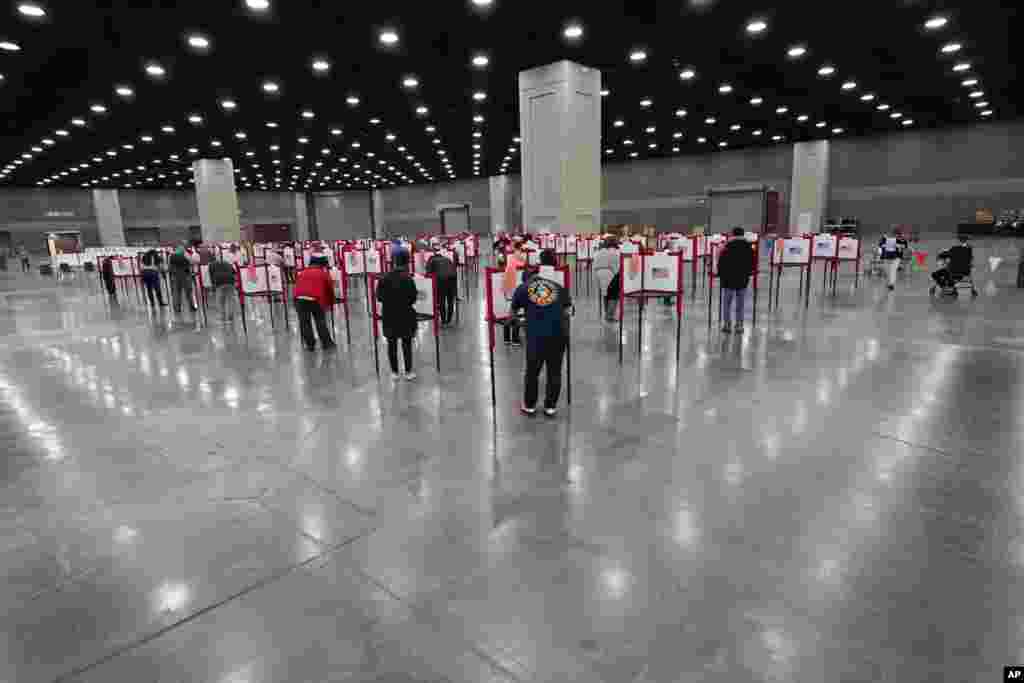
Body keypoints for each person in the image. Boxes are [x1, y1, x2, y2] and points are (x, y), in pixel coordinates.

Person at [511, 249, 573, 417]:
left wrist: (522, 321)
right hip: (558, 335)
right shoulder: (559, 288)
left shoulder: (525, 287)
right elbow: (569, 311)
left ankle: (530, 405)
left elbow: (514, 309)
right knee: (554, 371)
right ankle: (550, 406)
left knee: (532, 371)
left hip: (536, 335)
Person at [376, 252, 419, 381]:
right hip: (406, 314)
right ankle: (408, 372)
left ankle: (394, 372)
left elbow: (379, 297)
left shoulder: (384, 278)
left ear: (394, 262)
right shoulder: (408, 278)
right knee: (406, 344)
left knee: (391, 344)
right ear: (406, 263)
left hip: (389, 315)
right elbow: (413, 298)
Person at [717, 227, 755, 334]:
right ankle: (739, 325)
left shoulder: (726, 246)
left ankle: (727, 325)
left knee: (727, 303)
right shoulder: (749, 247)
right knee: (740, 304)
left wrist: (721, 275)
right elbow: (752, 264)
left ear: (733, 234)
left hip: (728, 280)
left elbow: (721, 263)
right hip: (742, 279)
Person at [292, 258, 336, 351]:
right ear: (321, 266)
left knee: (304, 323)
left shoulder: (302, 272)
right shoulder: (323, 273)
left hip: (299, 299)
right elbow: (330, 289)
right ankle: (326, 343)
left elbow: (296, 287)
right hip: (315, 299)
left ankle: (310, 345)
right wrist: (331, 303)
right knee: (320, 321)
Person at [502, 240, 527, 346]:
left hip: (508, 286)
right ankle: (515, 339)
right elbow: (523, 265)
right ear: (520, 247)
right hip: (516, 286)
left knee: (512, 311)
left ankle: (506, 338)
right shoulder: (519, 256)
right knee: (515, 313)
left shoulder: (510, 256)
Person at [426, 250, 457, 326]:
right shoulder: (448, 259)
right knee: (450, 301)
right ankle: (449, 320)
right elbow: (453, 270)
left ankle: (443, 321)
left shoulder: (432, 260)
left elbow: (428, 273)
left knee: (441, 300)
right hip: (452, 279)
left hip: (441, 280)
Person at [593, 238, 621, 321]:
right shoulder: (614, 252)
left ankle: (607, 314)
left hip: (598, 274)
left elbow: (594, 265)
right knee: (614, 296)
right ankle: (610, 316)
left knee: (606, 295)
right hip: (610, 274)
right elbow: (617, 267)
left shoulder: (598, 252)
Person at [168, 246, 197, 313]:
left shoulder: (171, 256)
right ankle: (192, 306)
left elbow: (169, 267)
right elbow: (191, 262)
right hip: (186, 275)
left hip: (175, 276)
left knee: (176, 293)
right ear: (183, 250)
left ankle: (177, 308)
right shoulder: (185, 254)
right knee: (189, 292)